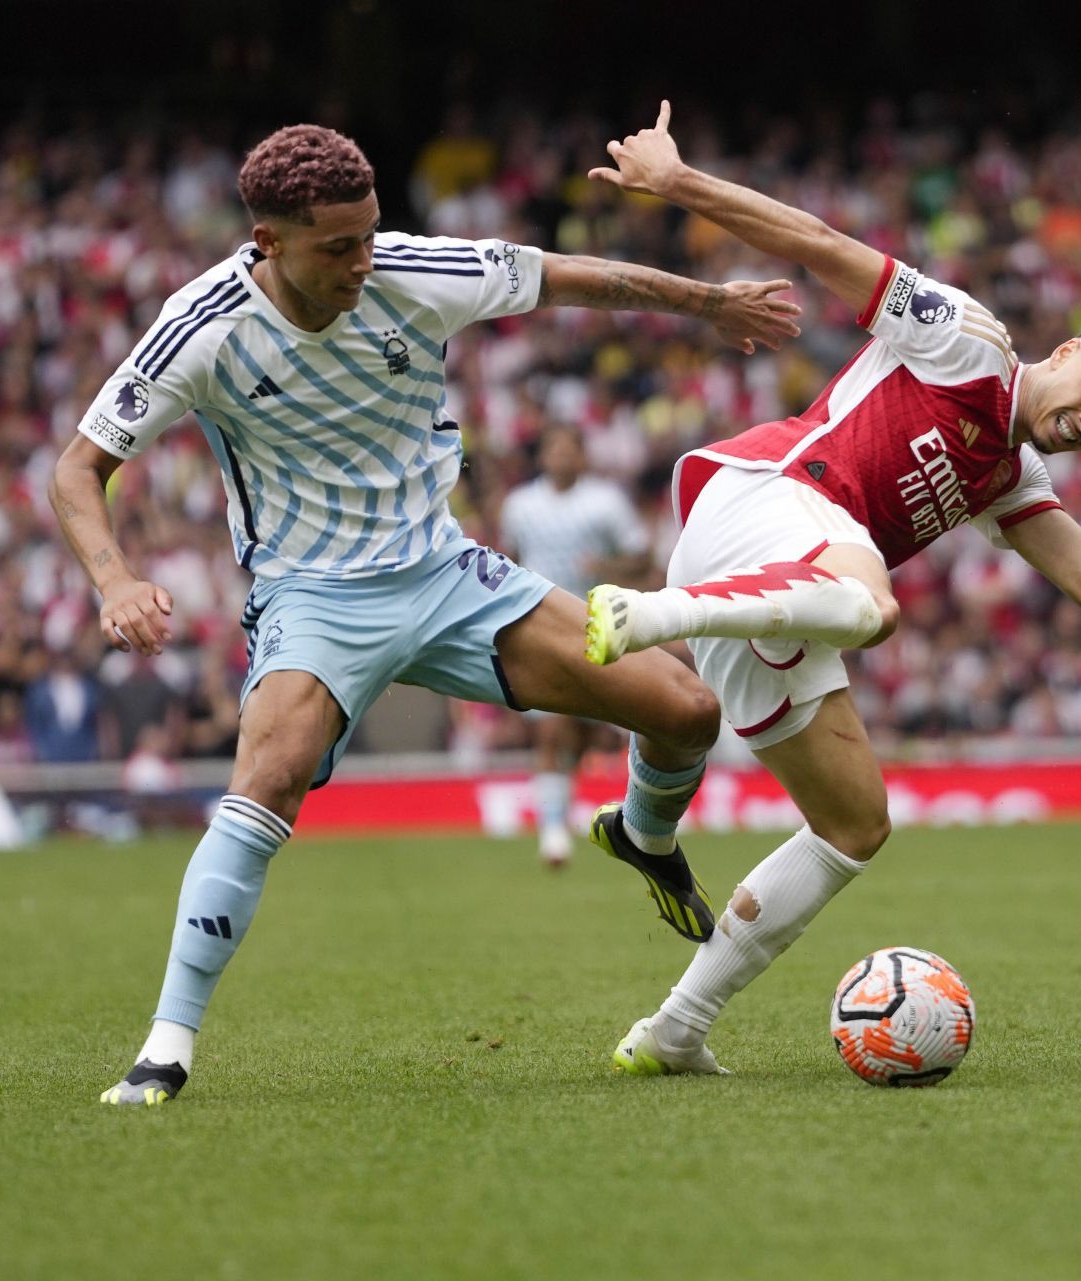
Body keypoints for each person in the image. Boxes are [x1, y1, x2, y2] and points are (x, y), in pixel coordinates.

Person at [53, 123, 801, 1106]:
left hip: (448, 576)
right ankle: (165, 1048)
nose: (365, 260)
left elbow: (571, 276)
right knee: (267, 778)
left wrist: (708, 303)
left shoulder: (415, 269)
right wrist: (113, 582)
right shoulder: (202, 326)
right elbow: (78, 469)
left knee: (687, 712)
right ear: (270, 241)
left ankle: (645, 837)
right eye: (338, 247)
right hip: (314, 599)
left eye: (369, 235)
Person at [581, 103, 1081, 1076]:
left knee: (856, 825)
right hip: (764, 498)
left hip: (781, 586)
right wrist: (677, 181)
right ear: (1065, 354)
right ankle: (652, 618)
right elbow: (817, 243)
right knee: (874, 604)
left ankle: (674, 1028)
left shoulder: (1013, 478)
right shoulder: (966, 340)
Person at [497, 424, 654, 866]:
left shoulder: (605, 502)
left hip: (597, 627)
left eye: (570, 449)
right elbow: (506, 558)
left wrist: (605, 564)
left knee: (584, 735)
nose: (562, 457)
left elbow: (642, 556)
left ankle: (614, 821)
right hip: (540, 626)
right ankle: (552, 834)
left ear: (582, 456)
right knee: (551, 730)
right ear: (542, 456)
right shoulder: (520, 505)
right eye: (554, 449)